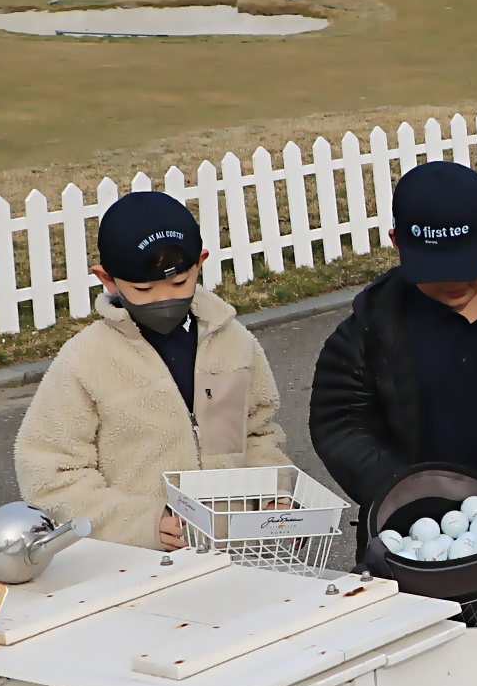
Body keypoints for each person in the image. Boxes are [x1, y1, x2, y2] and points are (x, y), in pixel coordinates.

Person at [15, 190, 286, 550]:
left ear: (200, 263)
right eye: (143, 289)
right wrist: (142, 524)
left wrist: (275, 498)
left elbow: (256, 434)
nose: (164, 300)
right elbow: (50, 474)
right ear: (107, 279)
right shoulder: (85, 360)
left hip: (234, 553)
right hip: (132, 563)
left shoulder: (233, 342)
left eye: (179, 283)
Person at [308, 161, 477, 511]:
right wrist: (410, 493)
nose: (454, 282)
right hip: (417, 523)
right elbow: (340, 426)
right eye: (435, 269)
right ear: (397, 242)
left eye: (465, 264)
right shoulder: (369, 330)